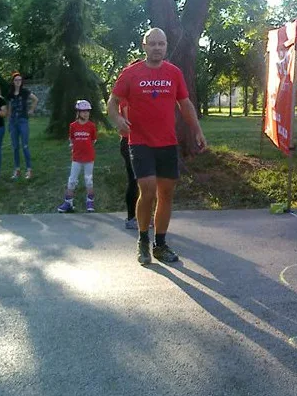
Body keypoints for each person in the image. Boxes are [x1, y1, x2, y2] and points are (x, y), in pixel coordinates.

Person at [108, 27, 207, 266]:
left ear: (166, 46)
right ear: (144, 46)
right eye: (152, 44)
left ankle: (160, 244)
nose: (157, 48)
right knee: (148, 189)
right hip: (140, 141)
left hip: (167, 142)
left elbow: (185, 104)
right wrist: (118, 119)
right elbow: (112, 101)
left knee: (166, 193)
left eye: (161, 44)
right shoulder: (130, 73)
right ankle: (143, 240)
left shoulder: (174, 73)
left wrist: (197, 130)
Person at [56, 100, 97, 213]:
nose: (86, 113)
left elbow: (93, 140)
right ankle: (68, 202)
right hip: (76, 158)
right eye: (83, 111)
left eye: (87, 111)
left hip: (89, 157)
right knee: (72, 180)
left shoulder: (91, 126)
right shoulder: (73, 126)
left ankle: (90, 201)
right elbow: (72, 139)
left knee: (88, 180)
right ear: (78, 113)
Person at [7, 72, 38, 179]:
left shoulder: (25, 92)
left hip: (23, 121)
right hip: (13, 122)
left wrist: (31, 110)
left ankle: (29, 170)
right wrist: (9, 122)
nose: (18, 82)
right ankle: (17, 170)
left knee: (25, 146)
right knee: (15, 147)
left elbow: (35, 99)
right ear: (13, 82)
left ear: (21, 82)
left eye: (20, 80)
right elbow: (10, 108)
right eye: (16, 80)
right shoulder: (10, 94)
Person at [118, 98, 139, 229]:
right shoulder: (125, 100)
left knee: (144, 181)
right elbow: (129, 121)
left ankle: (142, 215)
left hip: (140, 142)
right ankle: (131, 218)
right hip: (128, 143)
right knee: (134, 180)